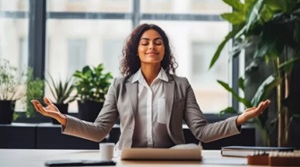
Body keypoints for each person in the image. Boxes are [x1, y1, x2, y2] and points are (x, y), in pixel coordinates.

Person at [32, 23, 270, 150]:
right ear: (136, 49)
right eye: (145, 42)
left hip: (171, 160)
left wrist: (240, 119)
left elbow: (202, 132)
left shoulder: (181, 85)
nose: (151, 47)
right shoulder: (120, 86)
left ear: (164, 50)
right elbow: (99, 131)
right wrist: (62, 118)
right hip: (127, 159)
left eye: (158, 42)